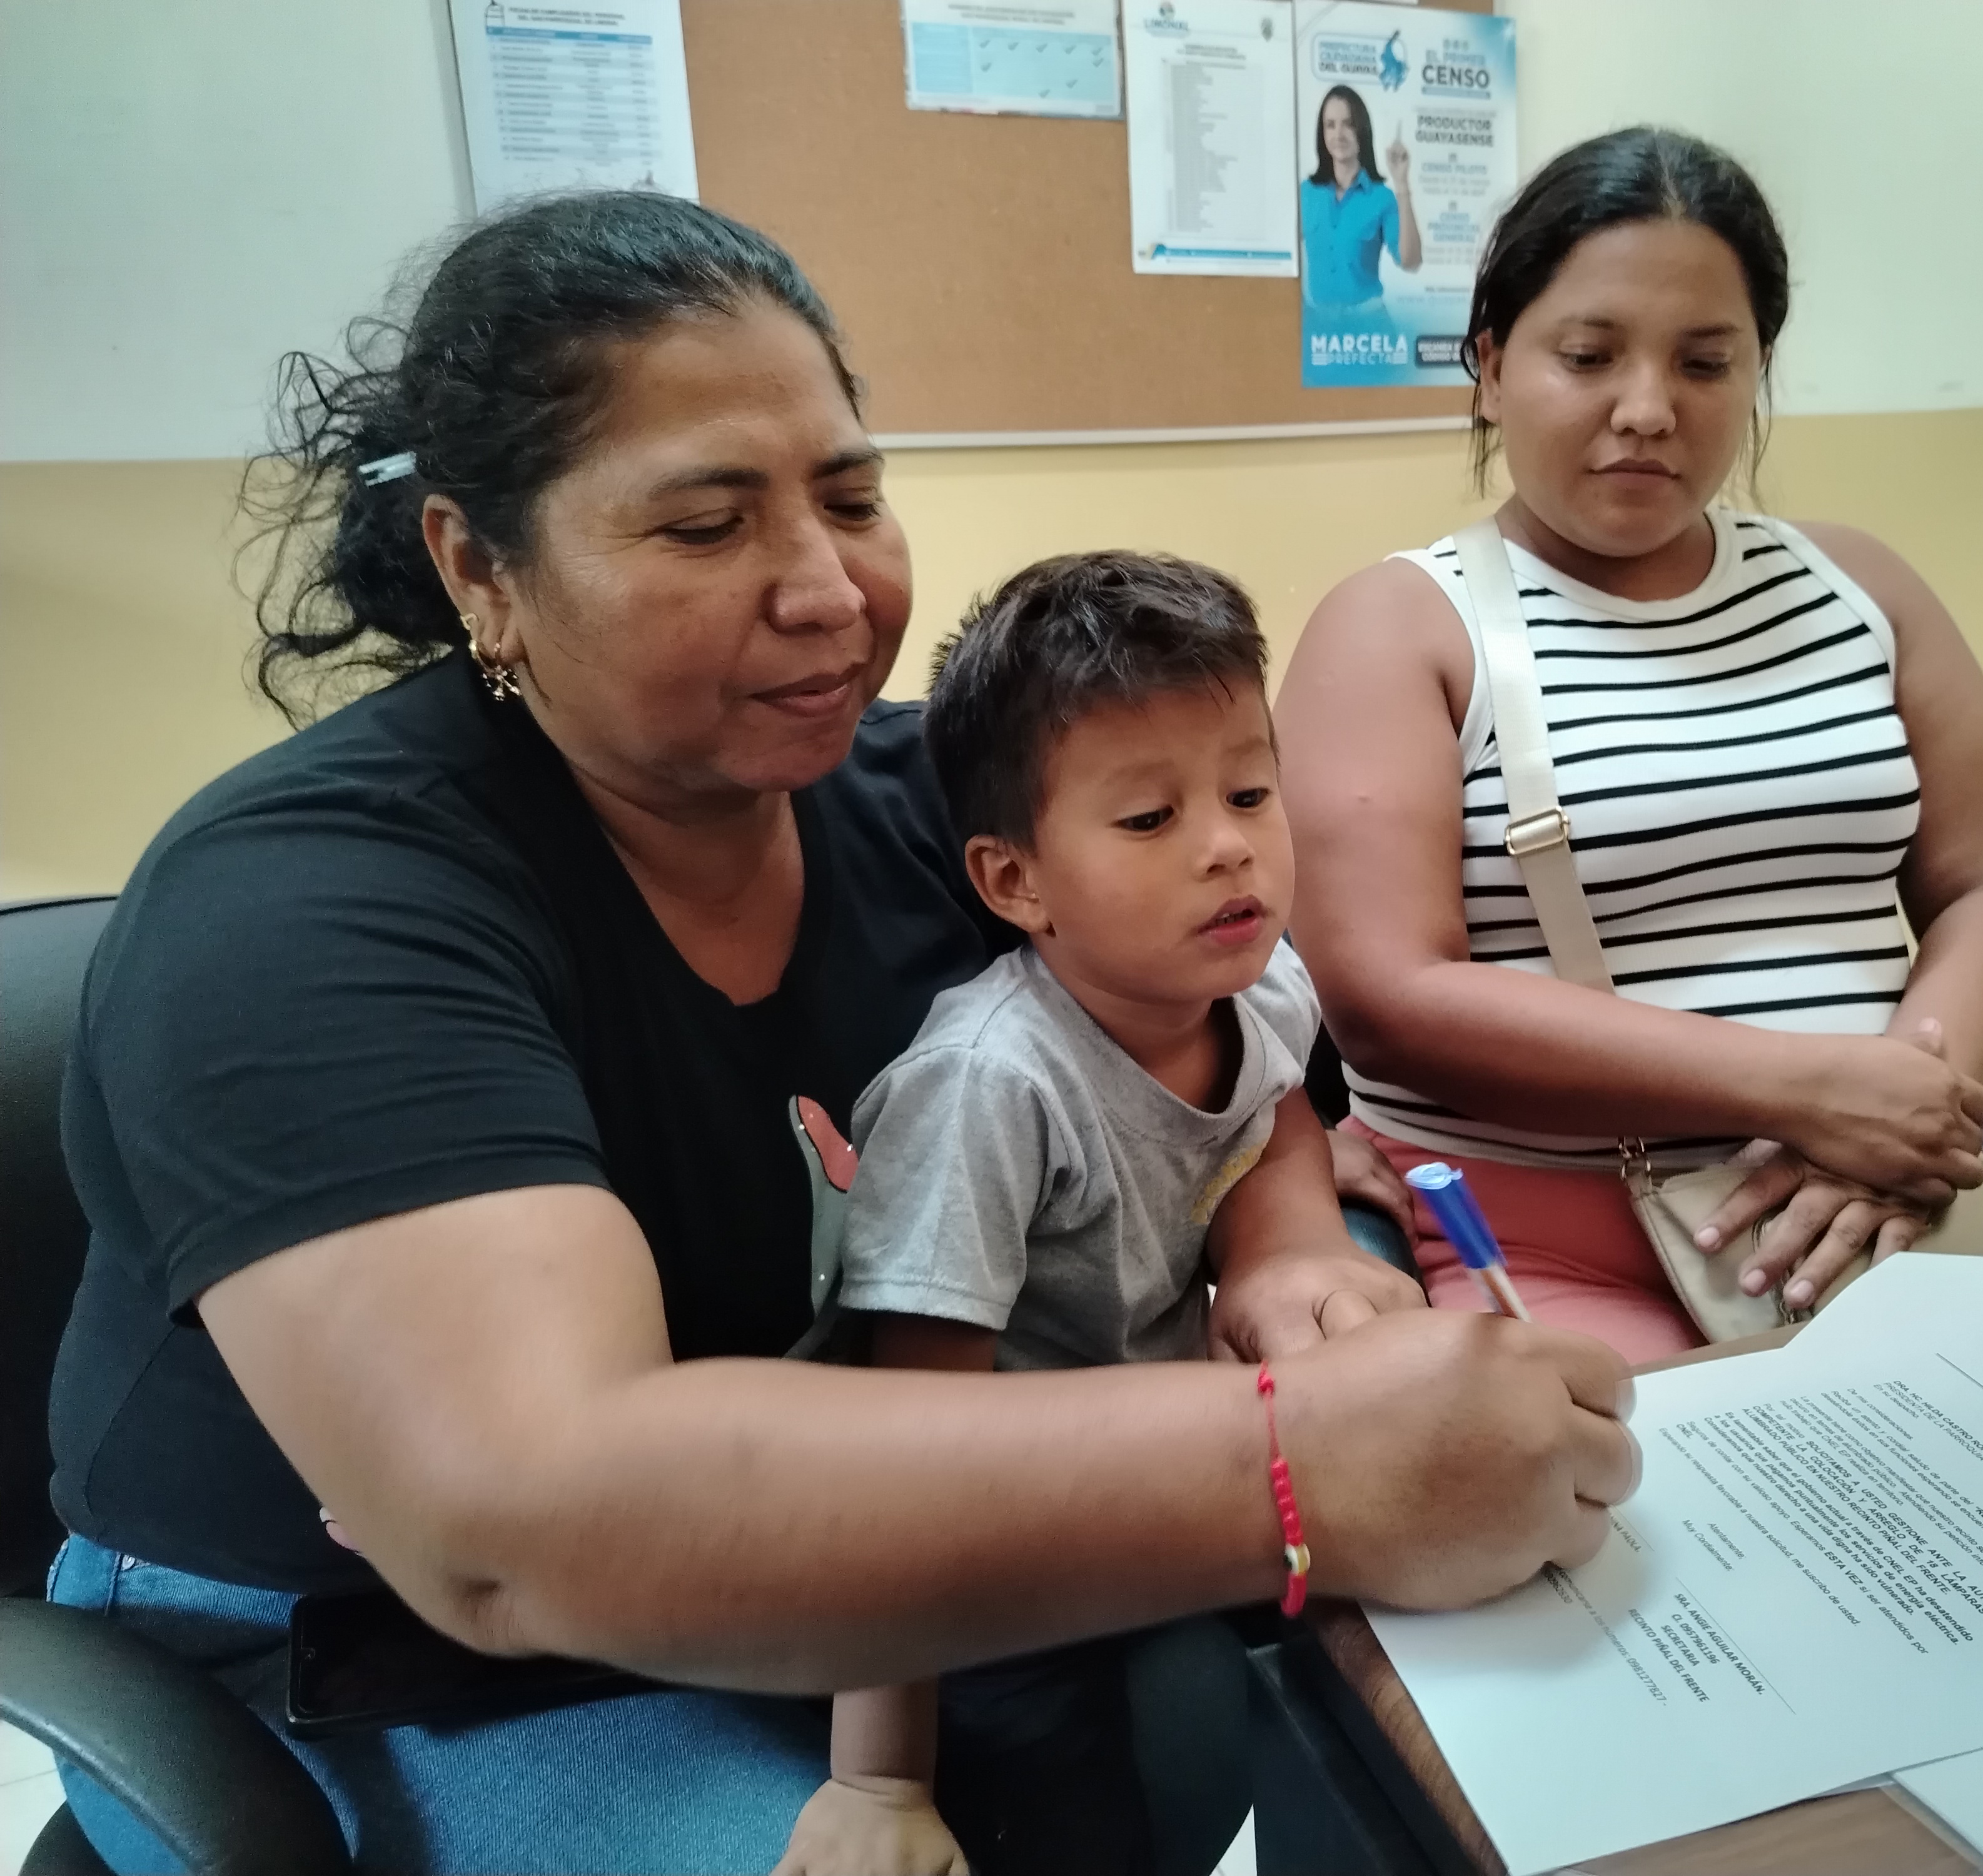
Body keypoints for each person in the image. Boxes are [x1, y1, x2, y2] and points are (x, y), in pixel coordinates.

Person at [43, 191, 1640, 1875]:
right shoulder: (311, 905)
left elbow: (1222, 1046)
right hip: (397, 1657)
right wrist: (1302, 1465)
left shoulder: (933, 804)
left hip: (833, 1537)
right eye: (706, 525)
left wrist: (1282, 1239)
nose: (826, 588)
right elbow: (528, 1520)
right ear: (478, 568)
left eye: (854, 499)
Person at [1275, 128, 1983, 1366]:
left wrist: (1896, 1112)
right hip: (1549, 1248)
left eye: (1705, 362)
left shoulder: (1859, 588)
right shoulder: (1400, 627)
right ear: (1491, 365)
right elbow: (1389, 998)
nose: (1647, 411)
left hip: (1884, 1209)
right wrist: (1804, 1090)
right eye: (1588, 356)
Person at [782, 552, 1325, 1875]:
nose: (1227, 844)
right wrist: (879, 1782)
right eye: (1148, 818)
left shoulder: (1258, 983)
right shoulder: (989, 1089)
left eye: (1250, 792)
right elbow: (907, 1456)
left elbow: (1281, 1110)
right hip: (993, 1558)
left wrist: (1305, 1236)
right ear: (1016, 881)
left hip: (1162, 1486)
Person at [1299, 84, 1421, 319]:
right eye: (1330, 125)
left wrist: (1402, 183)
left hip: (1369, 325)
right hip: (1318, 327)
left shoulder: (1382, 198)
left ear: (1362, 130)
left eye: (1348, 124)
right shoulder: (1306, 193)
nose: (1338, 135)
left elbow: (1411, 261)